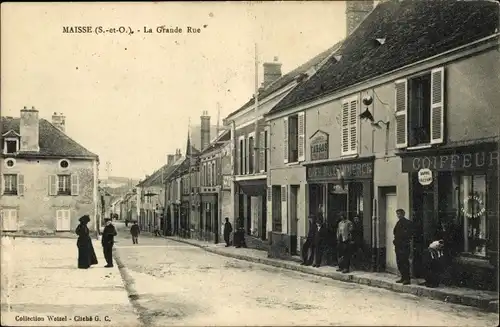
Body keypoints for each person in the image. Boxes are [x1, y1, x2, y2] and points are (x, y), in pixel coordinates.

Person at [393, 209, 413, 285]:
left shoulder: (407, 223)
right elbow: (395, 233)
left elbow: (410, 234)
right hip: (398, 246)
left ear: (403, 214)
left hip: (404, 246)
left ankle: (407, 279)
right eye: (397, 214)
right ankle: (403, 277)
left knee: (404, 262)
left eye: (400, 214)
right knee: (399, 262)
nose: (398, 215)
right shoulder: (398, 223)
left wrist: (404, 241)